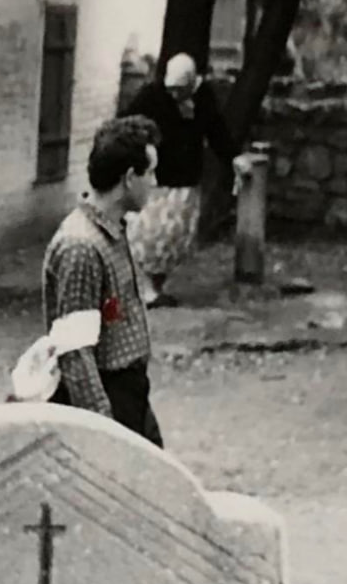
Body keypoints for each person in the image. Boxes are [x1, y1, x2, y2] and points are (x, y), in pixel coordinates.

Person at [41, 115, 164, 446]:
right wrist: (102, 434)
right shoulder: (80, 246)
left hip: (131, 392)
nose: (154, 181)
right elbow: (76, 352)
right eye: (150, 172)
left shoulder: (112, 230)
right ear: (128, 179)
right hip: (109, 397)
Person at [121, 52, 246, 307]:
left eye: (180, 89)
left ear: (192, 82)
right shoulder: (153, 96)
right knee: (146, 237)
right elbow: (125, 125)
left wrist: (234, 158)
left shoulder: (204, 97)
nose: (174, 95)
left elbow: (217, 132)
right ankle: (144, 289)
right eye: (171, 89)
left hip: (186, 182)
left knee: (175, 241)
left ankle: (155, 288)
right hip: (156, 181)